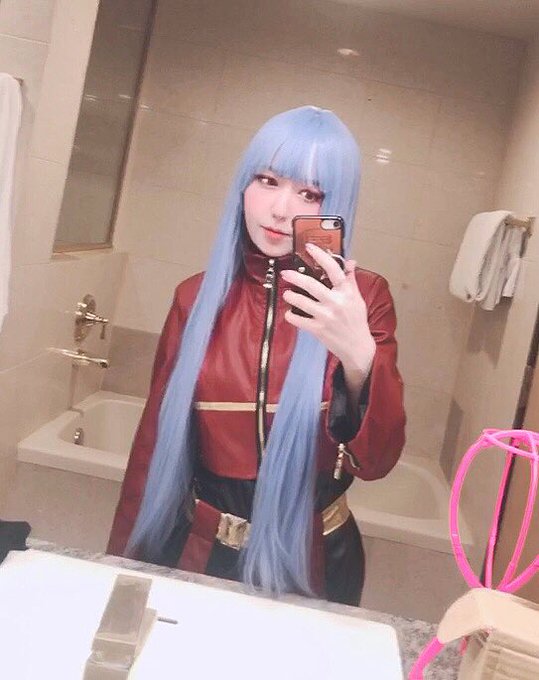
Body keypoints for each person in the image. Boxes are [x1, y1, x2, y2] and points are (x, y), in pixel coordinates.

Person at [107, 106, 405, 606]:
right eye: (267, 181)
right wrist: (119, 568)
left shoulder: (363, 298)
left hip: (314, 561)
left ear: (336, 206)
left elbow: (377, 463)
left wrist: (360, 359)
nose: (280, 210)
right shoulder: (194, 298)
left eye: (310, 194)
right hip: (200, 551)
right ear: (243, 186)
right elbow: (152, 450)